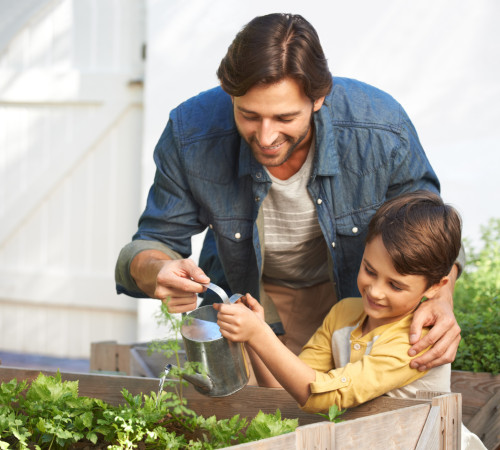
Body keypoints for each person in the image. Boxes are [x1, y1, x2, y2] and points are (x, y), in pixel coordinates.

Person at [115, 12, 463, 372]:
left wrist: (442, 295)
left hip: (352, 298)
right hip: (247, 298)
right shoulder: (191, 133)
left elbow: (430, 230)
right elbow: (152, 243)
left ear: (318, 99)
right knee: (250, 421)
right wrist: (157, 269)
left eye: (284, 118)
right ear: (228, 92)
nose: (266, 137)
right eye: (249, 115)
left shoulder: (380, 129)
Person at [215, 191, 485, 449]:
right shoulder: (344, 313)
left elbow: (324, 396)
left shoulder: (419, 339)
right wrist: (255, 336)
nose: (375, 291)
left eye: (396, 285)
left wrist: (259, 335)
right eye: (369, 269)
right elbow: (289, 391)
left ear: (435, 287)